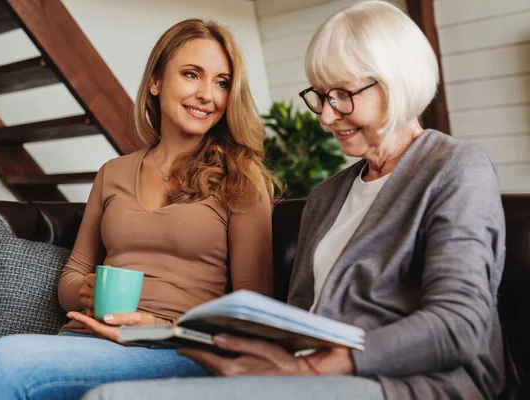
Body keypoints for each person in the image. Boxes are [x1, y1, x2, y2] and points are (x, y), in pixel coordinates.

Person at [81, 1, 507, 400]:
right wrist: (264, 357)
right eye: (320, 97)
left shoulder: (455, 169)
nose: (325, 115)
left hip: (408, 385)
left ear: (396, 81)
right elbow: (301, 316)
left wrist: (315, 369)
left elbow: (459, 326)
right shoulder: (328, 196)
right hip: (314, 377)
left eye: (341, 94)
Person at [0, 18, 277, 400]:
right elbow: (71, 277)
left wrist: (155, 325)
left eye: (222, 82)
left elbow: (255, 312)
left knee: (2, 361)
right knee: (3, 359)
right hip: (90, 337)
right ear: (155, 82)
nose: (208, 94)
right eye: (191, 75)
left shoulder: (242, 177)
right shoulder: (113, 172)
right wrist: (86, 292)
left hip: (179, 349)